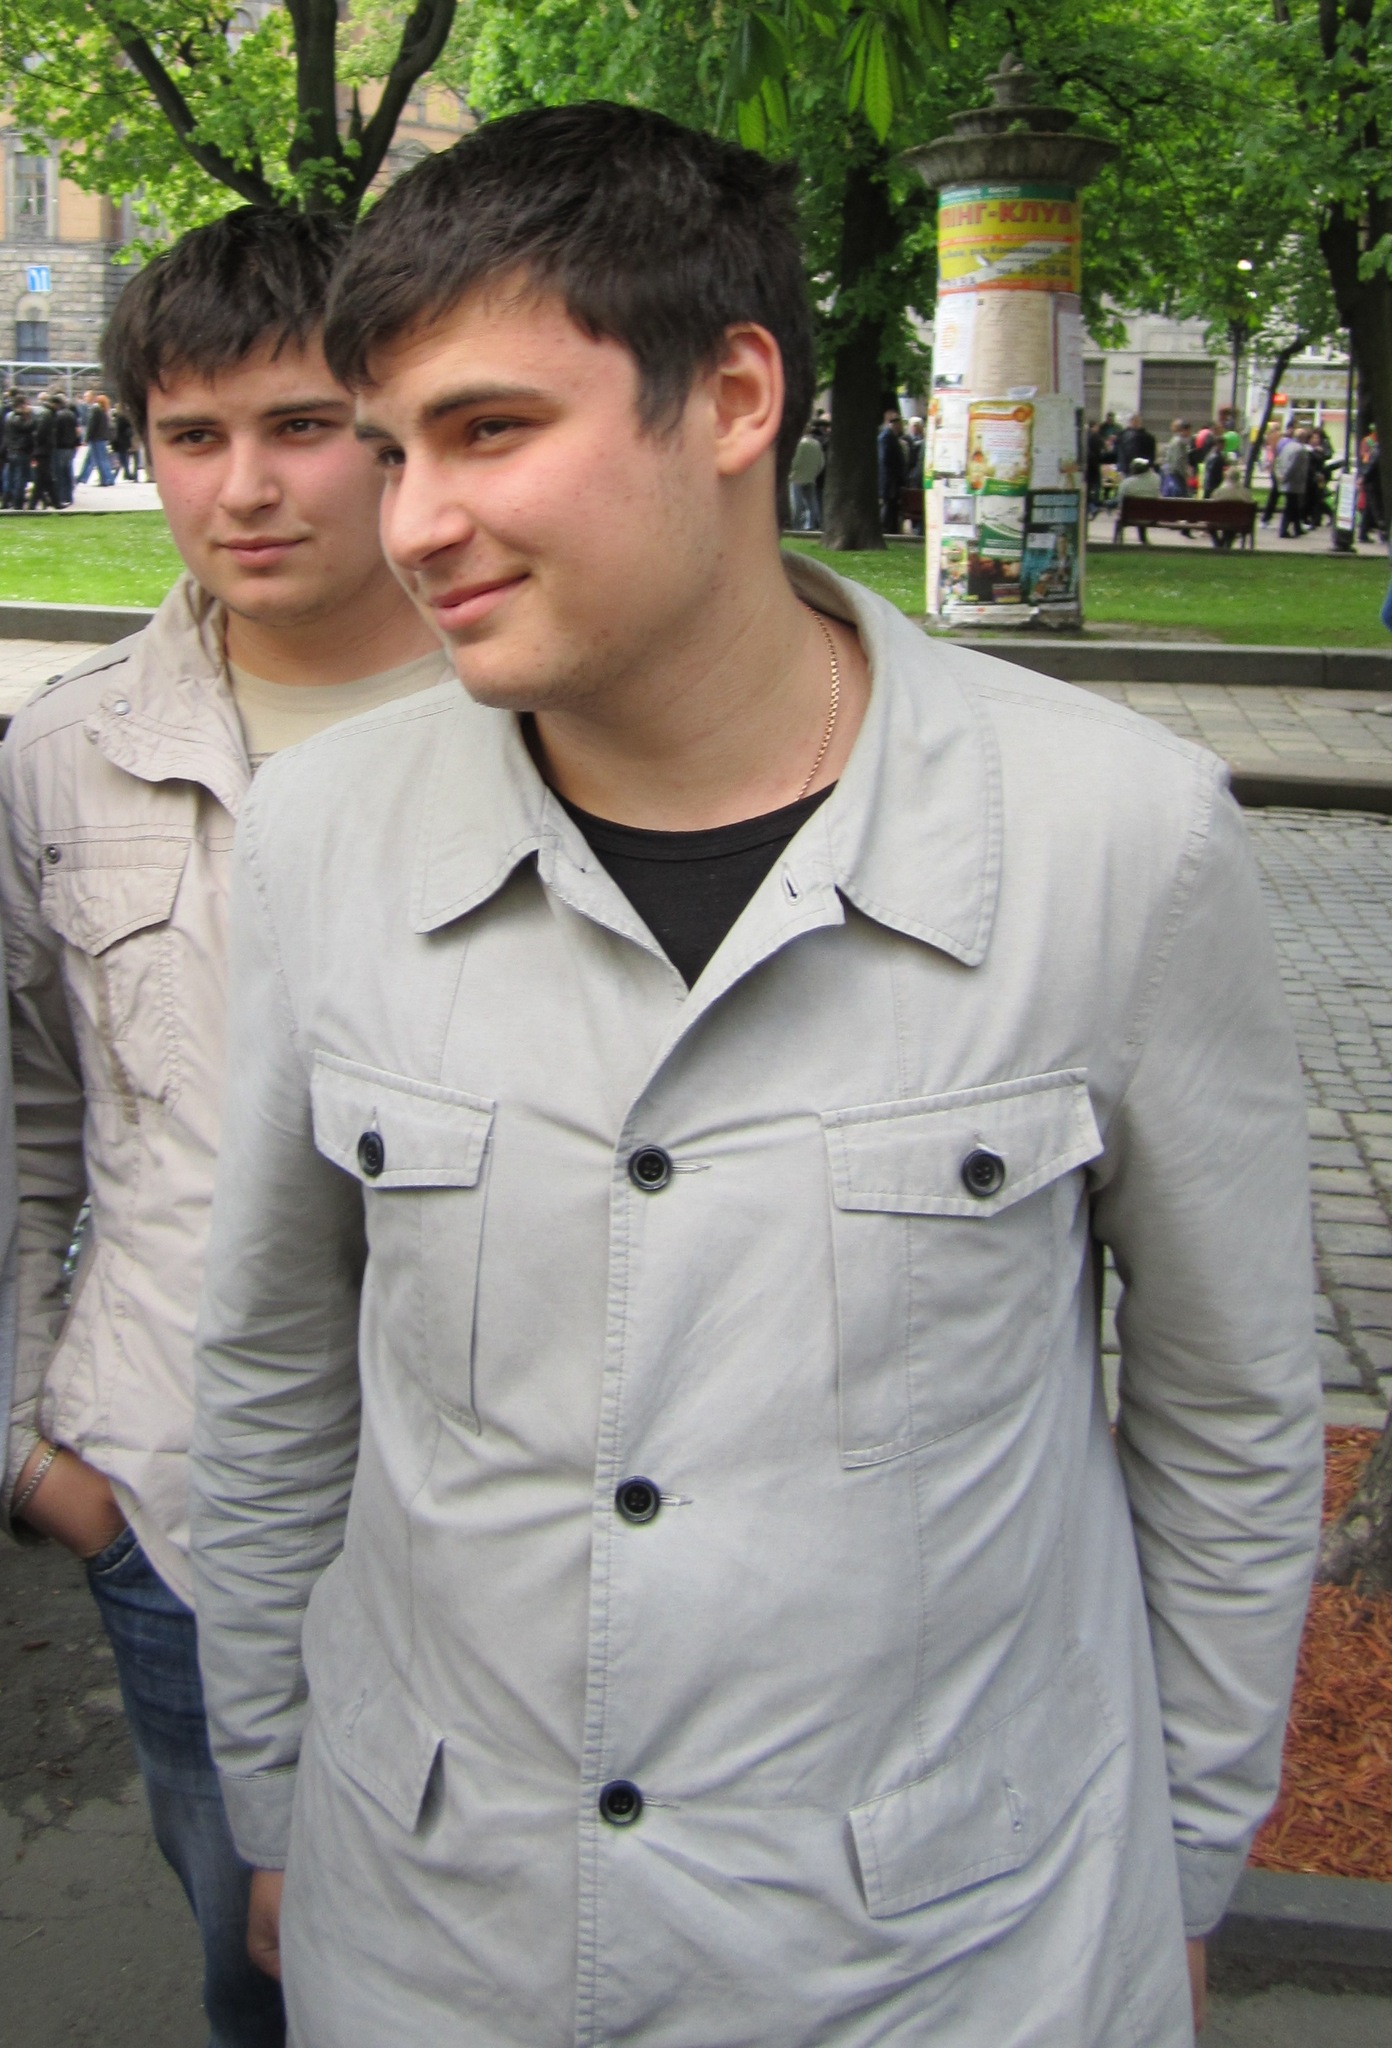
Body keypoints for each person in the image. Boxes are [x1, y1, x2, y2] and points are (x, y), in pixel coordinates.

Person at [189, 102, 1322, 2048]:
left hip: (944, 1969)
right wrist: (280, 1790)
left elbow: (1227, 1416)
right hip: (443, 1943)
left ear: (728, 398)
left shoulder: (1115, 837)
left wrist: (1188, 1852)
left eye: (487, 430)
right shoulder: (323, 841)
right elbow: (273, 1369)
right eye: (390, 452)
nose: (414, 523)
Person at [0, 207, 450, 2048]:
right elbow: (30, 1121)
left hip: (491, 1522)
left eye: (301, 427)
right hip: (176, 1519)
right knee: (252, 1977)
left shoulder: (538, 711)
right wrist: (39, 1456)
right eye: (192, 436)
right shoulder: (68, 752)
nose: (244, 489)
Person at [1114, 452, 1162, 541]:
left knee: (1131, 511)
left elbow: (1120, 502)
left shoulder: (1126, 483)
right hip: (1151, 517)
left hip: (1130, 517)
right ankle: (1143, 539)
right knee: (1144, 509)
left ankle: (1118, 541)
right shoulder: (1156, 479)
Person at [1208, 462, 1254, 550]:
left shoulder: (1218, 492)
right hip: (1239, 522)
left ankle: (1218, 543)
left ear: (1227, 477)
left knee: (1220, 522)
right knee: (1233, 521)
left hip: (1218, 521)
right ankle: (1226, 543)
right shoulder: (1245, 493)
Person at [788, 421, 825, 530]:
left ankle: (796, 525)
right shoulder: (816, 444)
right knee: (811, 502)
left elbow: (796, 460)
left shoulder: (800, 444)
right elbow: (821, 462)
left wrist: (790, 471)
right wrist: (815, 472)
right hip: (810, 477)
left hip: (797, 477)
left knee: (797, 503)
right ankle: (810, 525)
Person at [76, 389, 116, 486]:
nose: (85, 398)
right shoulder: (102, 409)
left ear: (92, 397)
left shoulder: (94, 409)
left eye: (86, 396)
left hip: (96, 438)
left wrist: (86, 438)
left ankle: (106, 479)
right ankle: (108, 478)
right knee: (102, 459)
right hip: (102, 437)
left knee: (100, 460)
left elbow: (91, 425)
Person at [1277, 427, 1311, 538]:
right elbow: (1293, 467)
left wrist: (1280, 475)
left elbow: (1280, 461)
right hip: (1294, 482)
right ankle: (1283, 530)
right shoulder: (1300, 450)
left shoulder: (1287, 446)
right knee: (1290, 507)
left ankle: (1297, 528)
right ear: (1303, 438)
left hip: (1287, 480)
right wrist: (1286, 477)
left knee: (1294, 506)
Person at [1, 396, 34, 510]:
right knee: (21, 478)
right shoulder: (18, 418)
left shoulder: (8, 416)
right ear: (22, 405)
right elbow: (27, 427)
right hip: (21, 451)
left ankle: (6, 500)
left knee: (10, 477)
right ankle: (18, 503)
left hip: (11, 451)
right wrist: (29, 415)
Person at [877, 405, 905, 533]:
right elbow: (884, 461)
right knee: (889, 507)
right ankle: (887, 529)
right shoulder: (886, 437)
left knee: (892, 507)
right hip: (889, 481)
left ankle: (891, 529)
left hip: (892, 481)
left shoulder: (890, 436)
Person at [49, 390, 78, 506]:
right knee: (67, 471)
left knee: (59, 473)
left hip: (60, 447)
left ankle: (60, 496)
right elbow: (76, 430)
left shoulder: (58, 415)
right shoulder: (71, 414)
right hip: (70, 447)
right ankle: (69, 496)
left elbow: (56, 433)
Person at [1159, 418, 1192, 497]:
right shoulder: (1179, 442)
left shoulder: (1175, 440)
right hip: (1176, 474)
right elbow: (1177, 460)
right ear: (1183, 430)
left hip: (1172, 473)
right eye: (1189, 431)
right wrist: (1184, 474)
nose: (1190, 433)